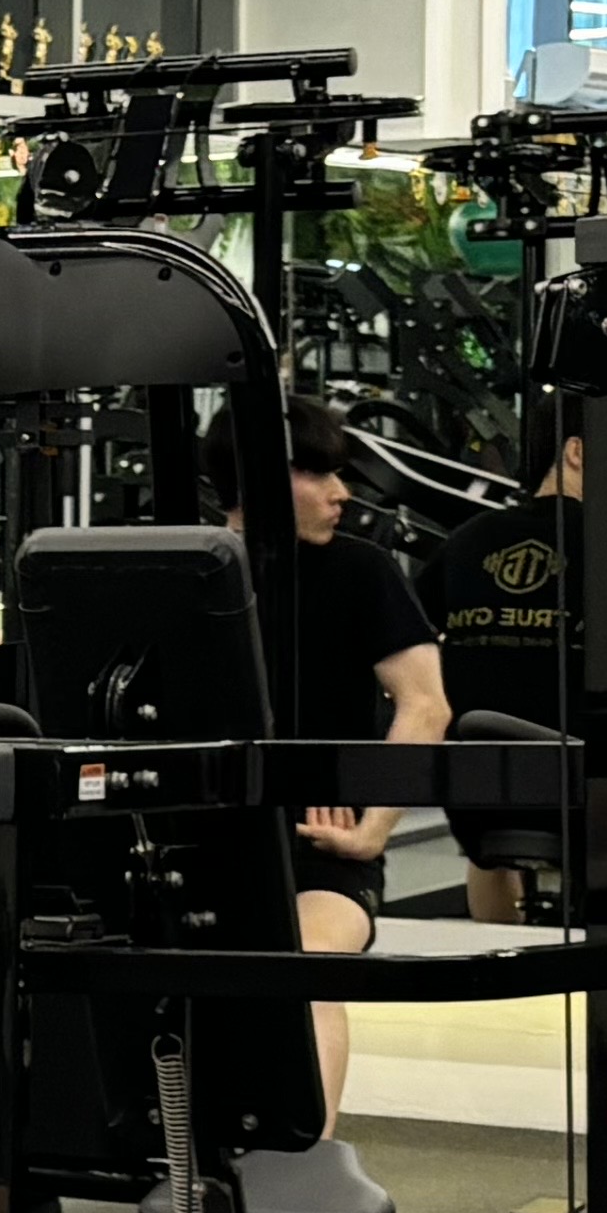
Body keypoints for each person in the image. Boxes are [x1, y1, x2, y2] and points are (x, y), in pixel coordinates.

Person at [210, 394, 448, 1121]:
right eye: (318, 474)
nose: (341, 493)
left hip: (321, 844)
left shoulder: (362, 571)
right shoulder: (191, 570)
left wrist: (374, 830)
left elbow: (426, 705)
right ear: (256, 479)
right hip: (203, 836)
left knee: (308, 967)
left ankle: (307, 1162)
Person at [429, 420, 582, 927]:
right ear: (576, 452)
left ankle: (495, 945)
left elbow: (410, 646)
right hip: (592, 793)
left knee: (487, 849)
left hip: (478, 797)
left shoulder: (465, 541)